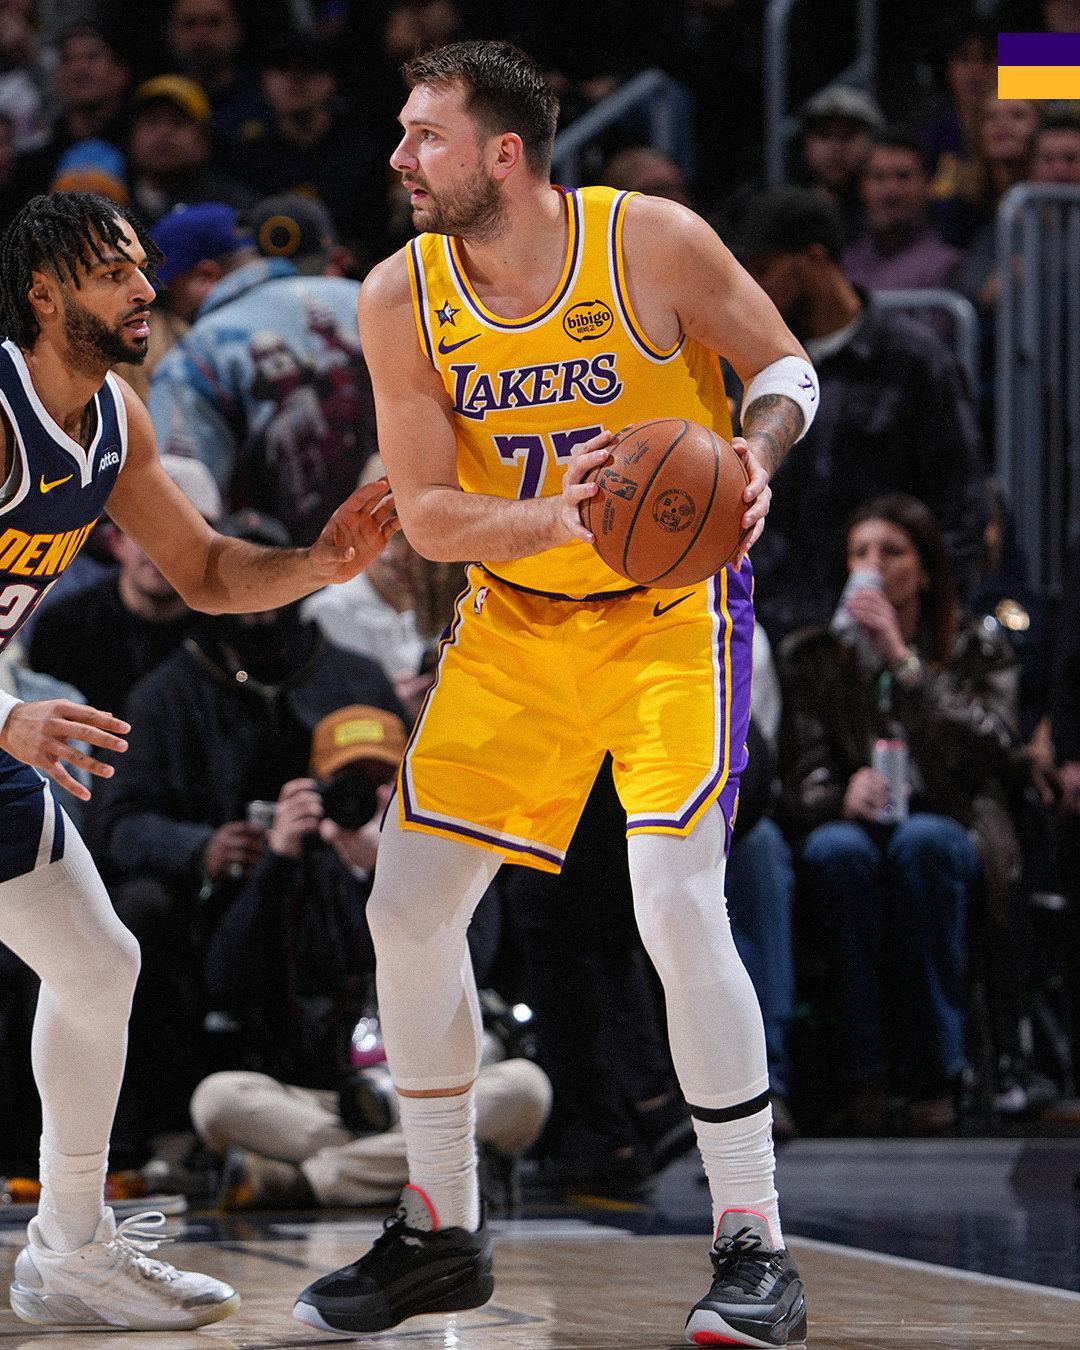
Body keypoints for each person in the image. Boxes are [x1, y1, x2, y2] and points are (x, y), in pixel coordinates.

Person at [292, 40, 818, 1350]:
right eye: (402, 133)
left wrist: (753, 455)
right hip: (517, 625)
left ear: (505, 152)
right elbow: (429, 514)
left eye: (425, 135)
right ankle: (439, 1228)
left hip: (668, 619)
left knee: (675, 902)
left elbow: (788, 369)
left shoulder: (650, 242)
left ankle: (755, 1242)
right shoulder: (400, 295)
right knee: (407, 908)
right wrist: (558, 519)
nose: (401, 158)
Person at [0, 190, 397, 1331]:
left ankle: (69, 1249)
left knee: (97, 965)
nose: (146, 288)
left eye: (143, 266)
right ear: (44, 295)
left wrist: (320, 563)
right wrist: (9, 716)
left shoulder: (116, 420)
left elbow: (209, 572)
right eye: (114, 273)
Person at [778, 494, 1019, 1135]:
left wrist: (901, 659)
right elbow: (801, 771)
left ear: (926, 570)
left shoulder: (975, 647)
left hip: (953, 820)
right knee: (838, 854)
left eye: (892, 552)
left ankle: (935, 1075)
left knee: (924, 845)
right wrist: (838, 793)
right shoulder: (815, 657)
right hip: (855, 827)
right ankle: (865, 1077)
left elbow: (995, 748)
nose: (873, 566)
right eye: (859, 553)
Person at [735, 186, 986, 644]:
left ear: (814, 259)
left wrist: (931, 621)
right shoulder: (753, 367)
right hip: (772, 623)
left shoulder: (914, 360)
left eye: (763, 269)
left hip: (885, 627)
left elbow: (962, 502)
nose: (752, 288)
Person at [148, 194, 380, 544]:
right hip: (415, 548)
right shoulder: (366, 300)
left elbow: (185, 505)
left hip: (287, 566)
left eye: (168, 298)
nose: (166, 314)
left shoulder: (195, 356)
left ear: (205, 276)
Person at [27, 456, 221, 715]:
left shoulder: (229, 635)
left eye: (181, 532)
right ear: (116, 541)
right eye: (146, 529)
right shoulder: (63, 629)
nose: (161, 549)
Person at [843, 129, 964, 296]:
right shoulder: (844, 261)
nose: (890, 191)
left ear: (927, 184)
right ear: (862, 187)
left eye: (903, 176)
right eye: (879, 177)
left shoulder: (946, 266)